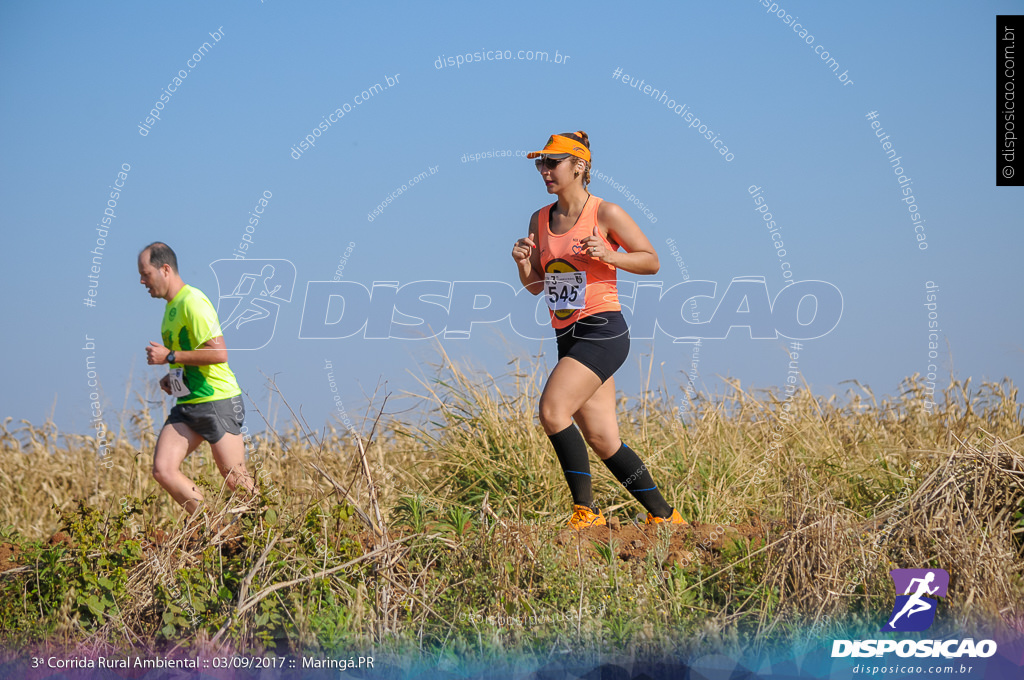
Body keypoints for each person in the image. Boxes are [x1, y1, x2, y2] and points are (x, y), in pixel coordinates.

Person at [511, 131, 686, 530]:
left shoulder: (606, 213)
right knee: (604, 438)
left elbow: (652, 261)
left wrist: (609, 255)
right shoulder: (539, 219)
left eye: (552, 163)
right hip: (566, 335)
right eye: (541, 164)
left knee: (554, 411)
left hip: (602, 329)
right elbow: (539, 286)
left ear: (579, 166)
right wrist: (523, 264)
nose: (544, 171)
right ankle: (667, 518)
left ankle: (585, 513)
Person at [138, 242, 256, 513]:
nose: (141, 280)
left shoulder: (193, 301)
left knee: (237, 482)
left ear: (165, 269)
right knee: (163, 470)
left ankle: (273, 537)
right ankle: (215, 529)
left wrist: (170, 357)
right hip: (188, 404)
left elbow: (219, 353)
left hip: (218, 401)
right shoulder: (170, 309)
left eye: (146, 273)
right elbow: (188, 353)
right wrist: (173, 377)